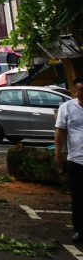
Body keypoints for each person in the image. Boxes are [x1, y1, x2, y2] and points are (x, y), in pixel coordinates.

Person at [55, 77, 83, 243]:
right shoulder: (67, 108)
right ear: (74, 91)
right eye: (80, 89)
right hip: (76, 159)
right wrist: (59, 154)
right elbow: (60, 133)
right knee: (78, 197)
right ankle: (80, 229)